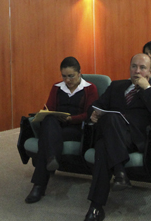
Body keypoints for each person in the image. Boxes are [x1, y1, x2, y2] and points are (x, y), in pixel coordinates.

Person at [83, 54, 151, 221]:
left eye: (142, 68)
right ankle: (97, 205)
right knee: (104, 140)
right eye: (134, 66)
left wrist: (147, 89)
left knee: (105, 136)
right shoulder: (116, 86)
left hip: (136, 139)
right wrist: (93, 114)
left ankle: (117, 173)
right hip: (114, 137)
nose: (137, 71)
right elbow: (96, 106)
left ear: (150, 71)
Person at [25, 57, 98, 204]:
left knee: (46, 140)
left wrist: (72, 119)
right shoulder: (56, 87)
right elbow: (50, 108)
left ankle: (39, 186)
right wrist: (47, 114)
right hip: (56, 126)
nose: (67, 80)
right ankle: (52, 158)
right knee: (49, 120)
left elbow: (89, 114)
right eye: (64, 76)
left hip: (77, 129)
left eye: (71, 76)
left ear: (79, 73)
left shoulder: (90, 88)